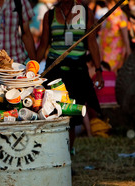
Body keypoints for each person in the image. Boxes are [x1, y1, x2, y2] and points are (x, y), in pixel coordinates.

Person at [36, 0, 104, 152]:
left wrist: (98, 70)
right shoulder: (50, 14)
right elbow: (43, 44)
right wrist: (33, 70)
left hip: (77, 71)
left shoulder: (85, 13)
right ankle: (53, 152)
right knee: (53, 113)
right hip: (55, 71)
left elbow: (92, 42)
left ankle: (67, 154)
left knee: (71, 117)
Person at [98, 0, 131, 73]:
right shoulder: (107, 15)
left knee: (112, 73)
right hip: (104, 51)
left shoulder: (121, 16)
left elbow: (125, 36)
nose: (105, 3)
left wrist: (128, 51)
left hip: (114, 52)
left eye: (107, 2)